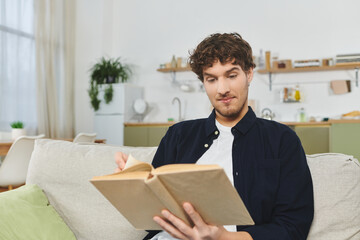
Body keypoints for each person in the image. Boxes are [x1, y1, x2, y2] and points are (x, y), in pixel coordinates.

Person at [115, 32, 314, 240]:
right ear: (204, 82)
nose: (222, 89)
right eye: (211, 79)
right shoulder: (179, 135)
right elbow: (155, 213)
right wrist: (133, 182)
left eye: (231, 75)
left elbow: (293, 226)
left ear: (249, 74)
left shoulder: (282, 140)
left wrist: (222, 237)